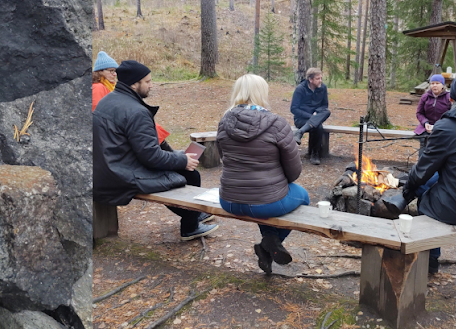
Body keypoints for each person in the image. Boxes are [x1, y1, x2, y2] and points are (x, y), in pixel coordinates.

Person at [93, 60, 218, 241]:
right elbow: (150, 156)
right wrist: (182, 160)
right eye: (148, 81)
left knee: (180, 170)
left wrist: (178, 155)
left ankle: (192, 214)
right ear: (134, 84)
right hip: (121, 176)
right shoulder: (136, 112)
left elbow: (140, 149)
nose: (152, 85)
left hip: (107, 169)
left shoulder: (107, 101)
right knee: (190, 175)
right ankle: (190, 226)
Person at [216, 74, 309, 274]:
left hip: (228, 199)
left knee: (261, 197)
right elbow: (294, 171)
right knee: (303, 196)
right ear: (261, 93)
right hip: (266, 202)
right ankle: (270, 244)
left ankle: (268, 245)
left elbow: (223, 157)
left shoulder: (224, 122)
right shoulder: (276, 123)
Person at [398, 72, 456, 274]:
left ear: (451, 98)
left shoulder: (446, 128)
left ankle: (431, 261)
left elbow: (423, 171)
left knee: (425, 198)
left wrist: (408, 190)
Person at [92, 51, 171, 146]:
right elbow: (99, 114)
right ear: (100, 72)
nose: (114, 74)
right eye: (111, 71)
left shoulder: (110, 86)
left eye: (115, 71)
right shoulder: (98, 88)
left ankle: (166, 150)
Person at [290, 67, 331, 165]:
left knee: (327, 112)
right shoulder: (300, 89)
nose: (320, 80)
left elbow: (324, 106)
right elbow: (294, 109)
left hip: (316, 116)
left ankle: (301, 133)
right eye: (318, 79)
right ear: (310, 79)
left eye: (321, 78)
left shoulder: (323, 88)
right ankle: (314, 154)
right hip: (301, 119)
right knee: (318, 126)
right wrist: (311, 116)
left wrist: (317, 112)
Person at [414, 74, 451, 156]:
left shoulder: (449, 97)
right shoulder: (425, 97)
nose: (434, 85)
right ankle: (422, 167)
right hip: (425, 127)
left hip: (443, 127)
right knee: (424, 144)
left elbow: (452, 114)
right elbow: (419, 113)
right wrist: (425, 123)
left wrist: (439, 125)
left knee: (440, 147)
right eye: (432, 83)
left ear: (443, 85)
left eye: (437, 83)